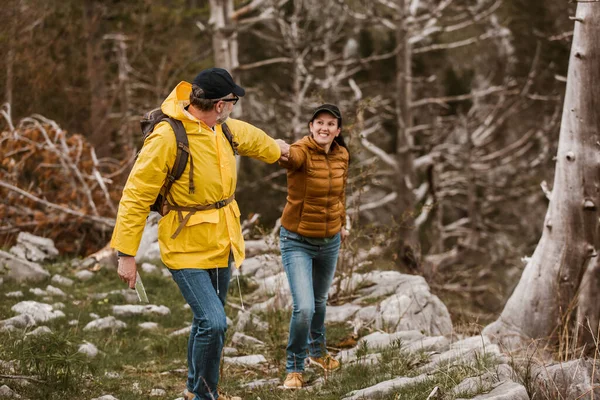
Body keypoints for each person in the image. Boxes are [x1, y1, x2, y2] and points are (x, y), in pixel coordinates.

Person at [111, 67, 289, 400]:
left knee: (206, 322)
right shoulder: (167, 137)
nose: (234, 108)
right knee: (215, 323)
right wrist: (126, 253)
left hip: (222, 240)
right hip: (184, 246)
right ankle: (205, 395)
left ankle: (197, 390)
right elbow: (136, 194)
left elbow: (255, 140)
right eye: (233, 101)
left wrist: (282, 151)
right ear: (220, 104)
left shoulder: (222, 129)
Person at [278, 104, 350, 389]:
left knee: (320, 301)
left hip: (330, 240)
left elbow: (340, 192)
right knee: (305, 307)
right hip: (297, 241)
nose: (324, 128)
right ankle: (294, 367)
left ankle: (317, 352)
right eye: (319, 123)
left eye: (330, 124)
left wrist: (342, 223)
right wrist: (278, 148)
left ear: (338, 130)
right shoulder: (301, 151)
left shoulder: (343, 154)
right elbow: (288, 157)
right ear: (311, 126)